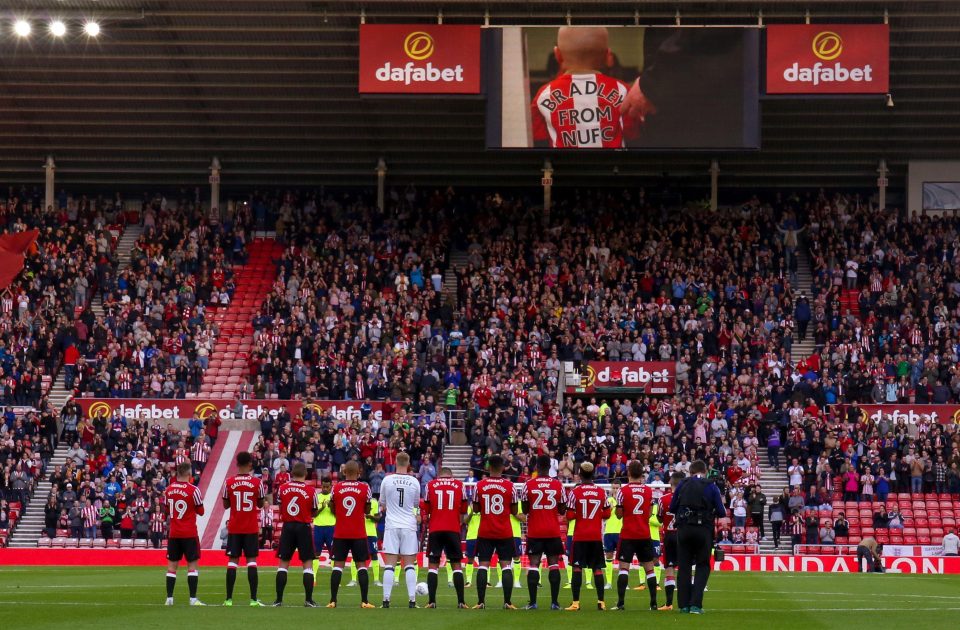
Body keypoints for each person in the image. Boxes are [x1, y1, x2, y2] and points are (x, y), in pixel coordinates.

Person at [530, 27, 645, 149]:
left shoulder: (544, 95)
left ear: (558, 55)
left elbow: (538, 140)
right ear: (608, 56)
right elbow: (633, 135)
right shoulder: (622, 90)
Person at [669, 460, 725, 615]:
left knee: (684, 566)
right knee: (702, 565)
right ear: (705, 471)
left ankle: (683, 605)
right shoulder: (711, 486)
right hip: (703, 530)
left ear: (691, 472)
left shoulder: (682, 484)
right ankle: (695, 605)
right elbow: (722, 512)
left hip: (684, 529)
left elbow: (672, 507)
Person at [520, 454, 566, 610]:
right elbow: (562, 509)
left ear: (537, 467)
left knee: (533, 565)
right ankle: (555, 602)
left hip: (535, 531)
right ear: (550, 467)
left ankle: (533, 603)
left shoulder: (529, 484)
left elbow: (525, 509)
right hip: (552, 530)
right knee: (554, 565)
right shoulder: (558, 485)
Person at [472, 454, 519, 609]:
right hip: (504, 531)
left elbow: (476, 509)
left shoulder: (479, 485)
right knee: (506, 565)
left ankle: (481, 602)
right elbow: (514, 510)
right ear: (503, 467)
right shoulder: (510, 486)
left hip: (485, 530)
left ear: (488, 467)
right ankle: (507, 602)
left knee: (483, 565)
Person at [327, 461, 375, 609]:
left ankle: (333, 601)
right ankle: (365, 601)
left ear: (344, 472)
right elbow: (367, 510)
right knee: (361, 566)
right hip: (358, 533)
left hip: (340, 532)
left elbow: (332, 507)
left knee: (337, 566)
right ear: (359, 472)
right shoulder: (364, 487)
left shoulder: (337, 487)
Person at [222, 451, 267, 607]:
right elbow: (261, 504)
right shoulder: (257, 482)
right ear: (249, 464)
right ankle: (253, 600)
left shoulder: (228, 482)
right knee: (251, 562)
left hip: (234, 527)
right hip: (250, 527)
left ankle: (228, 599)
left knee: (232, 562)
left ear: (236, 464)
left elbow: (225, 505)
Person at [564, 461, 611, 611]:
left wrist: (580, 514)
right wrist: (597, 514)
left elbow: (569, 515)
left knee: (577, 568)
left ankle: (576, 603)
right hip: (595, 537)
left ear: (580, 475)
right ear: (593, 475)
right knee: (597, 569)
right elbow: (608, 513)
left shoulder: (574, 492)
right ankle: (601, 602)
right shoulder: (601, 492)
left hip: (580, 536)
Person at [613, 460, 659, 611]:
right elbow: (650, 512)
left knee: (624, 568)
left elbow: (619, 515)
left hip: (628, 534)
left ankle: (620, 603)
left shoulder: (623, 491)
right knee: (649, 569)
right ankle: (653, 603)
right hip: (644, 534)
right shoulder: (648, 491)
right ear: (641, 474)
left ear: (629, 473)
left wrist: (624, 511)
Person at [272, 462, 320, 607]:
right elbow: (314, 511)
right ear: (305, 474)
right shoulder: (311, 490)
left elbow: (280, 507)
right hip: (303, 527)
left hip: (288, 527)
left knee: (283, 564)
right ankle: (308, 600)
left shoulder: (283, 488)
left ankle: (278, 600)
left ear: (292, 473)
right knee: (307, 564)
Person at [379, 452, 422, 608]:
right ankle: (412, 600)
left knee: (390, 564)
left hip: (392, 525)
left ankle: (386, 601)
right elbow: (416, 504)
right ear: (408, 462)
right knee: (409, 564)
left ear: (396, 462)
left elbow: (382, 503)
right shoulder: (414, 482)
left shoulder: (387, 480)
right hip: (409, 526)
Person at [423, 466, 469, 608]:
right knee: (456, 565)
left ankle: (431, 602)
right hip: (452, 529)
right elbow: (464, 508)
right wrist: (458, 521)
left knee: (433, 566)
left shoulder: (430, 485)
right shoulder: (459, 485)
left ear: (439, 475)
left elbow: (426, 508)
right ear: (451, 475)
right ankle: (461, 601)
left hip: (435, 529)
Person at [163, 461, 206, 606]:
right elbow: (201, 512)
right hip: (189, 533)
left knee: (171, 567)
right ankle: (193, 599)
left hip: (174, 533)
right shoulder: (193, 490)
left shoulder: (168, 490)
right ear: (189, 474)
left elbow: (167, 510)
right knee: (192, 566)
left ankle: (169, 598)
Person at [656, 472, 684, 610]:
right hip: (683, 535)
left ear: (671, 483)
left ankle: (668, 603)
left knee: (669, 568)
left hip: (669, 536)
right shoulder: (687, 498)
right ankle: (687, 603)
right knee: (685, 567)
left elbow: (659, 518)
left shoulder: (663, 499)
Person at [311, 478, 335, 579]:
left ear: (331, 486)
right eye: (323, 486)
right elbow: (313, 514)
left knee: (333, 553)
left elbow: (337, 513)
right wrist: (321, 508)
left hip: (331, 527)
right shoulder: (316, 497)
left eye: (327, 487)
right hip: (319, 528)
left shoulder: (334, 497)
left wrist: (331, 507)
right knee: (316, 553)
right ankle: (314, 577)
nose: (325, 488)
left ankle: (335, 579)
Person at [603, 481, 622, 590]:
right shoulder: (608, 501)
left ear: (620, 488)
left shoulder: (623, 500)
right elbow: (604, 516)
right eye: (613, 488)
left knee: (622, 559)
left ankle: (623, 583)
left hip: (620, 532)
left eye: (617, 488)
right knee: (609, 557)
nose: (615, 490)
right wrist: (610, 508)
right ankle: (609, 582)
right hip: (609, 532)